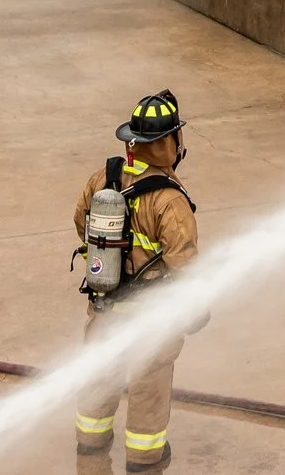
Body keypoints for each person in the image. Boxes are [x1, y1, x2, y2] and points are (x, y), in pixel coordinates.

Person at [73, 92, 199, 472]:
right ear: (167, 144)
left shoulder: (104, 178)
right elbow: (184, 261)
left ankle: (91, 441)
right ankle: (145, 458)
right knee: (148, 385)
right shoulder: (168, 200)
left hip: (105, 305)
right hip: (150, 317)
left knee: (100, 372)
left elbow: (81, 222)